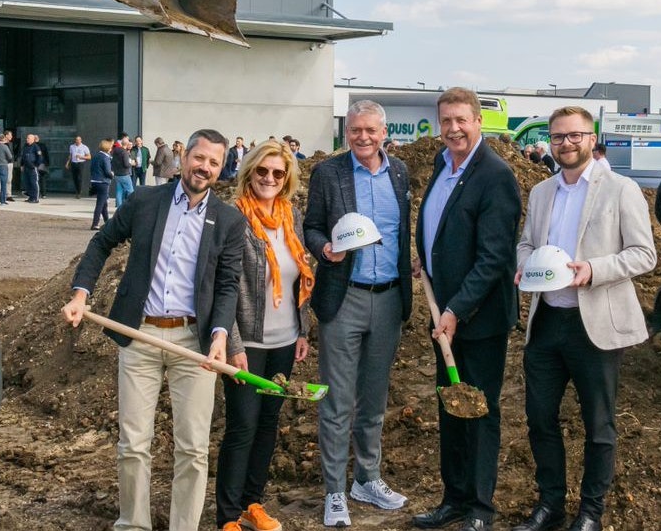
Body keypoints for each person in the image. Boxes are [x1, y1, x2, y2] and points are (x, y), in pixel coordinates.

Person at [61, 129, 245, 531]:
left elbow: (229, 283)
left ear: (221, 168)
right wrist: (80, 294)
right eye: (199, 158)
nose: (205, 167)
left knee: (193, 449)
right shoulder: (145, 201)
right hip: (140, 335)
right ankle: (133, 523)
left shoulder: (229, 220)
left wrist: (218, 336)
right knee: (133, 443)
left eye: (214, 162)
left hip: (193, 342)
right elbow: (101, 243)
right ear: (183, 157)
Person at [511, 107, 656, 531]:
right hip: (547, 321)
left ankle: (590, 512)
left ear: (591, 139)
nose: (566, 144)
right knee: (540, 418)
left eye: (575, 136)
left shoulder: (621, 189)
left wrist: (594, 269)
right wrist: (525, 264)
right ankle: (550, 505)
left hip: (594, 324)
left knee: (598, 423)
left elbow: (644, 254)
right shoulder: (541, 192)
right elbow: (525, 243)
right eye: (558, 137)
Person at [413, 87, 522, 531]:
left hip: (476, 320)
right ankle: (453, 499)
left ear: (478, 121)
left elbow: (494, 257)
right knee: (450, 407)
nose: (453, 129)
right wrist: (426, 255)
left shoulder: (495, 175)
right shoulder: (443, 166)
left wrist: (456, 310)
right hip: (445, 317)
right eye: (446, 121)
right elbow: (441, 231)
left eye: (461, 120)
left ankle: (479, 509)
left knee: (478, 410)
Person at [303, 100, 413, 527]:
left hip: (388, 299)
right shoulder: (328, 173)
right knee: (337, 400)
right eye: (354, 131)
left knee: (374, 396)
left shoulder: (400, 172)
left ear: (384, 131)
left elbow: (402, 232)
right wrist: (324, 249)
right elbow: (311, 226)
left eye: (370, 130)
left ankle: (366, 477)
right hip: (343, 296)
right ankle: (335, 491)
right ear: (345, 132)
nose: (362, 137)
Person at [217, 140, 316, 531]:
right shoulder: (232, 219)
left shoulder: (292, 217)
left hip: (284, 342)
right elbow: (224, 287)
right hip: (248, 345)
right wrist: (233, 344)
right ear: (249, 172)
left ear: (287, 177)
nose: (269, 179)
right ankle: (227, 517)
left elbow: (299, 279)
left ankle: (251, 504)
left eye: (278, 173)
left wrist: (303, 331)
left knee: (268, 424)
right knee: (242, 425)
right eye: (262, 171)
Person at [90, 138, 114, 230]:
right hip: (103, 182)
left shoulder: (96, 156)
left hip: (95, 181)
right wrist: (112, 174)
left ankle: (107, 222)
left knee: (103, 203)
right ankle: (95, 223)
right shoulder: (105, 158)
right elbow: (108, 172)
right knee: (100, 204)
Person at [112, 134, 135, 210]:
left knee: (119, 191)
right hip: (124, 174)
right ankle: (130, 207)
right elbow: (126, 164)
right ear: (127, 144)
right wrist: (131, 163)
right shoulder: (124, 152)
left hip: (117, 174)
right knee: (130, 190)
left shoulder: (115, 151)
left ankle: (119, 208)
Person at [20, 133, 44, 203]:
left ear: (33, 139)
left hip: (32, 168)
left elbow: (40, 157)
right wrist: (22, 165)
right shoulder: (25, 146)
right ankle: (31, 197)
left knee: (34, 183)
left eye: (28, 138)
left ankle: (36, 198)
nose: (27, 139)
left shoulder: (36, 147)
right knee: (27, 183)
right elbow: (23, 156)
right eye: (27, 138)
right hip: (26, 167)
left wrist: (36, 165)